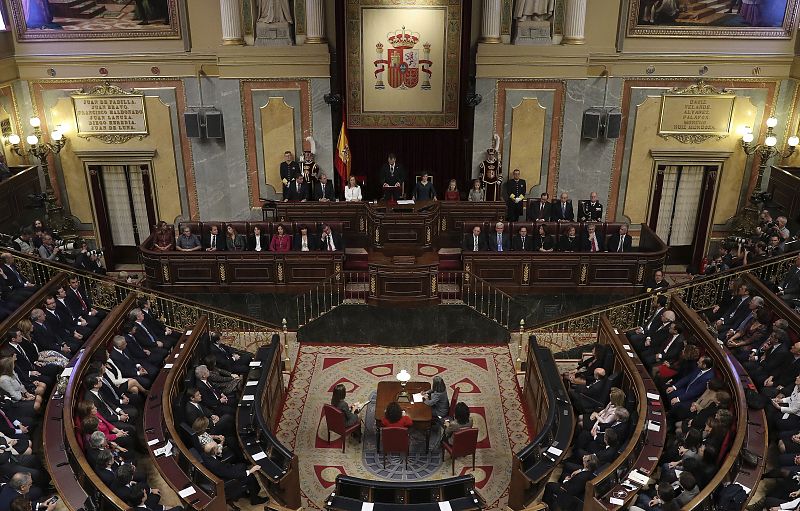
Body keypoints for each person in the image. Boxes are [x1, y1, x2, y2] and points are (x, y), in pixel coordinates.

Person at [200, 441, 269, 506]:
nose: (219, 446)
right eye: (217, 446)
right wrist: (251, 470)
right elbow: (231, 474)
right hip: (227, 480)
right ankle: (255, 499)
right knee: (250, 477)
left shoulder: (204, 454)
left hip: (224, 470)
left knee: (242, 465)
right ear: (214, 451)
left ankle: (246, 492)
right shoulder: (215, 465)